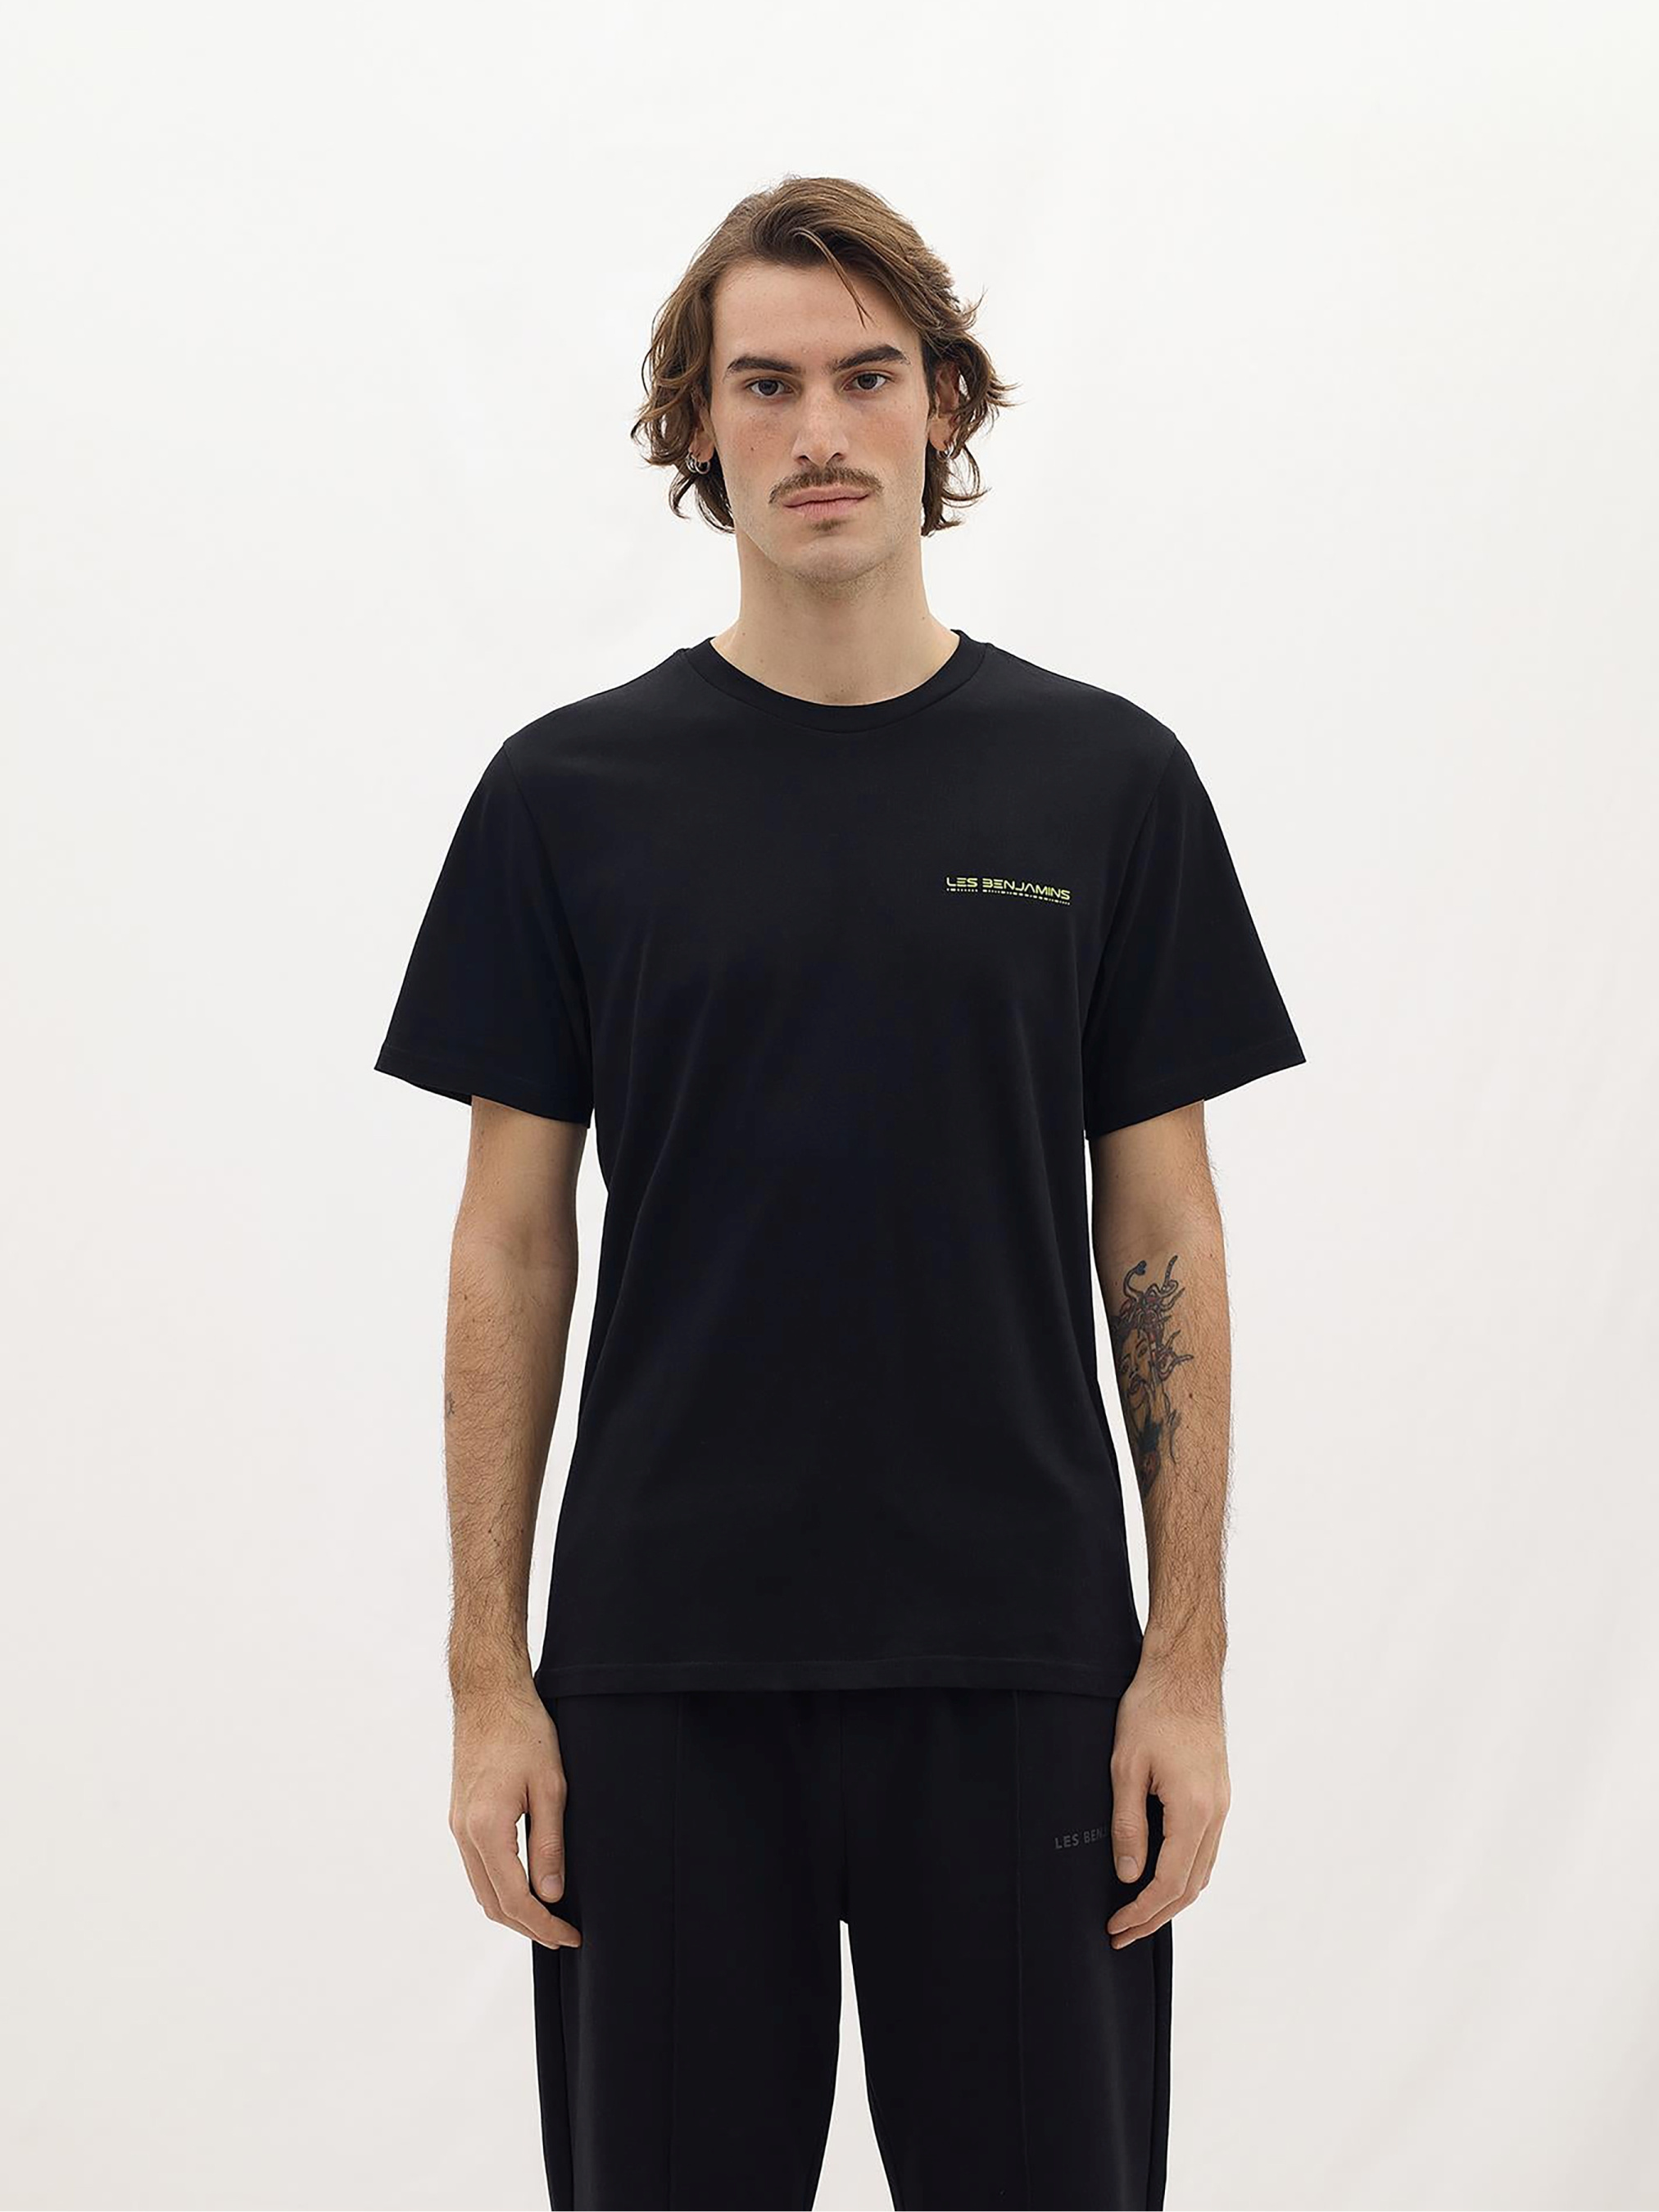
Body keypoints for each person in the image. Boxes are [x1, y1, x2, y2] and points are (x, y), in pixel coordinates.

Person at [373, 174, 1307, 2212]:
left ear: (942, 404)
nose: (818, 429)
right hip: (659, 1679)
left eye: (868, 377)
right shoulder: (565, 801)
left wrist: (1183, 1660)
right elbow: (508, 1244)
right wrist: (485, 1675)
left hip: (1023, 1674)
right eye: (765, 382)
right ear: (694, 423)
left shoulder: (1104, 784)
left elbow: (1162, 1234)